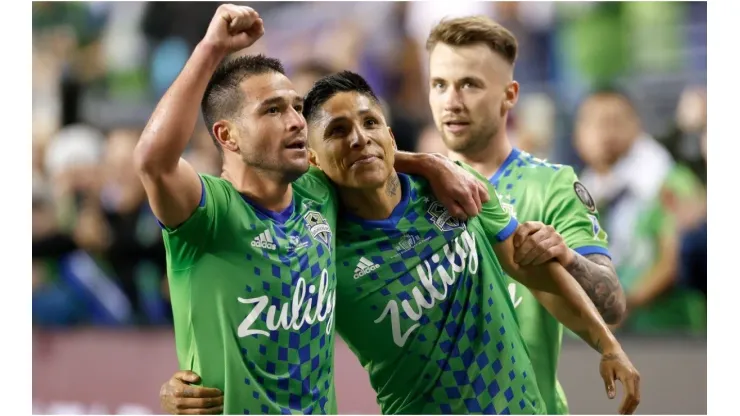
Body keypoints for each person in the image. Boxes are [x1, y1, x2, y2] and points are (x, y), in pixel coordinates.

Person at [159, 71, 642, 415]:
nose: (360, 139)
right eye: (339, 132)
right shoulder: (316, 235)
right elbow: (255, 304)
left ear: (390, 134)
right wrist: (185, 385)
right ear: (311, 158)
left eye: (371, 124)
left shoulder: (458, 191)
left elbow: (529, 266)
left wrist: (606, 343)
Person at [135, 5, 493, 414]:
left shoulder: (318, 191)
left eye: (296, 107)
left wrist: (429, 163)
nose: (296, 121)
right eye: (273, 110)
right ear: (226, 135)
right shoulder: (208, 214)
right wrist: (211, 48)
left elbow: (361, 153)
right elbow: (153, 161)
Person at [424, 16, 627, 415]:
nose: (452, 101)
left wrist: (566, 257)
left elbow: (613, 304)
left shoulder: (551, 185)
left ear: (510, 95)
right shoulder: (408, 189)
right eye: (439, 85)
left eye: (470, 84)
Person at [574, 88, 706, 334]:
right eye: (595, 123)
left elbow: (673, 263)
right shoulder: (577, 192)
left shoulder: (669, 181)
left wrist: (625, 305)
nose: (606, 132)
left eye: (615, 121)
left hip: (670, 338)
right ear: (578, 135)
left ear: (636, 126)